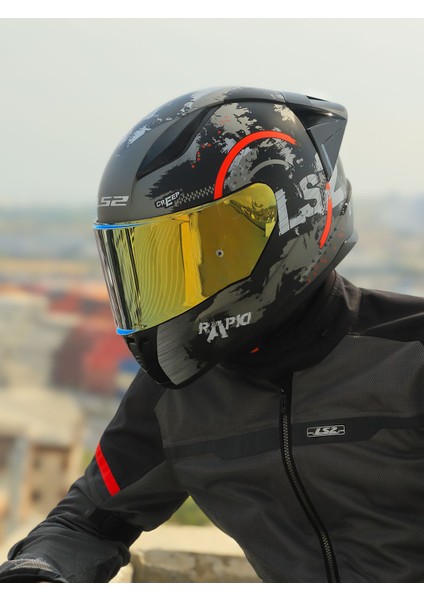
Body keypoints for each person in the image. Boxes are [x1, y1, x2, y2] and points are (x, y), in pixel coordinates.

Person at [0, 86, 423, 583]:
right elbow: (85, 522)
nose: (173, 287)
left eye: (209, 252)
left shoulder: (410, 356)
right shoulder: (177, 390)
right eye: (154, 266)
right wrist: (38, 573)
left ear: (289, 220)